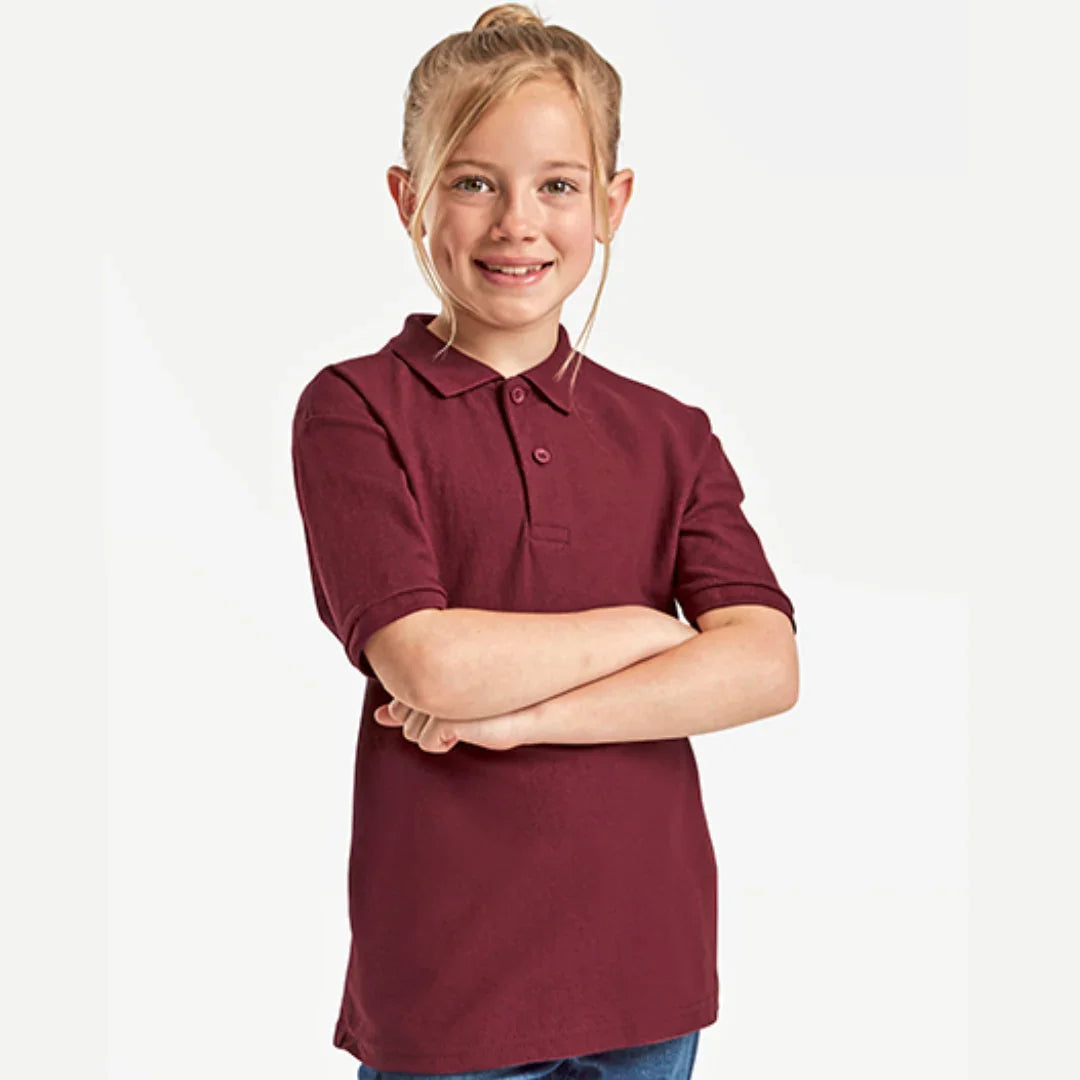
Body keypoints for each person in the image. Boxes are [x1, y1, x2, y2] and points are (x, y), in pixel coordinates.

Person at [290, 4, 799, 1078]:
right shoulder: (355, 410)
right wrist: (650, 631)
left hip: (650, 970)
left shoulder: (669, 433)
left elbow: (765, 666)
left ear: (613, 202)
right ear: (408, 198)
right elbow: (429, 664)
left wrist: (518, 720)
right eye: (474, 181)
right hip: (449, 984)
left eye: (559, 185)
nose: (518, 223)